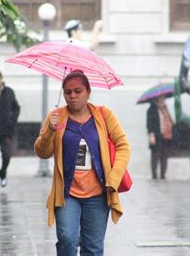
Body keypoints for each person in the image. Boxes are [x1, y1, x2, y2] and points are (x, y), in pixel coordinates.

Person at [34, 70, 131, 255]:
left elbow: (123, 146)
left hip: (98, 194)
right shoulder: (56, 117)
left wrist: (114, 178)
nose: (72, 96)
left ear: (88, 92)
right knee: (67, 239)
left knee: (93, 248)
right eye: (68, 92)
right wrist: (50, 131)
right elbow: (42, 152)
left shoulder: (104, 115)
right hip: (67, 194)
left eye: (78, 91)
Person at [147, 95, 174, 179]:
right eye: (161, 98)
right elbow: (149, 124)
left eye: (164, 98)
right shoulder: (151, 110)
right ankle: (154, 175)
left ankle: (163, 175)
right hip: (156, 136)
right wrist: (151, 134)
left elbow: (169, 120)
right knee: (155, 155)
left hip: (166, 136)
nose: (163, 100)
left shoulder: (165, 109)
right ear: (156, 99)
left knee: (164, 156)